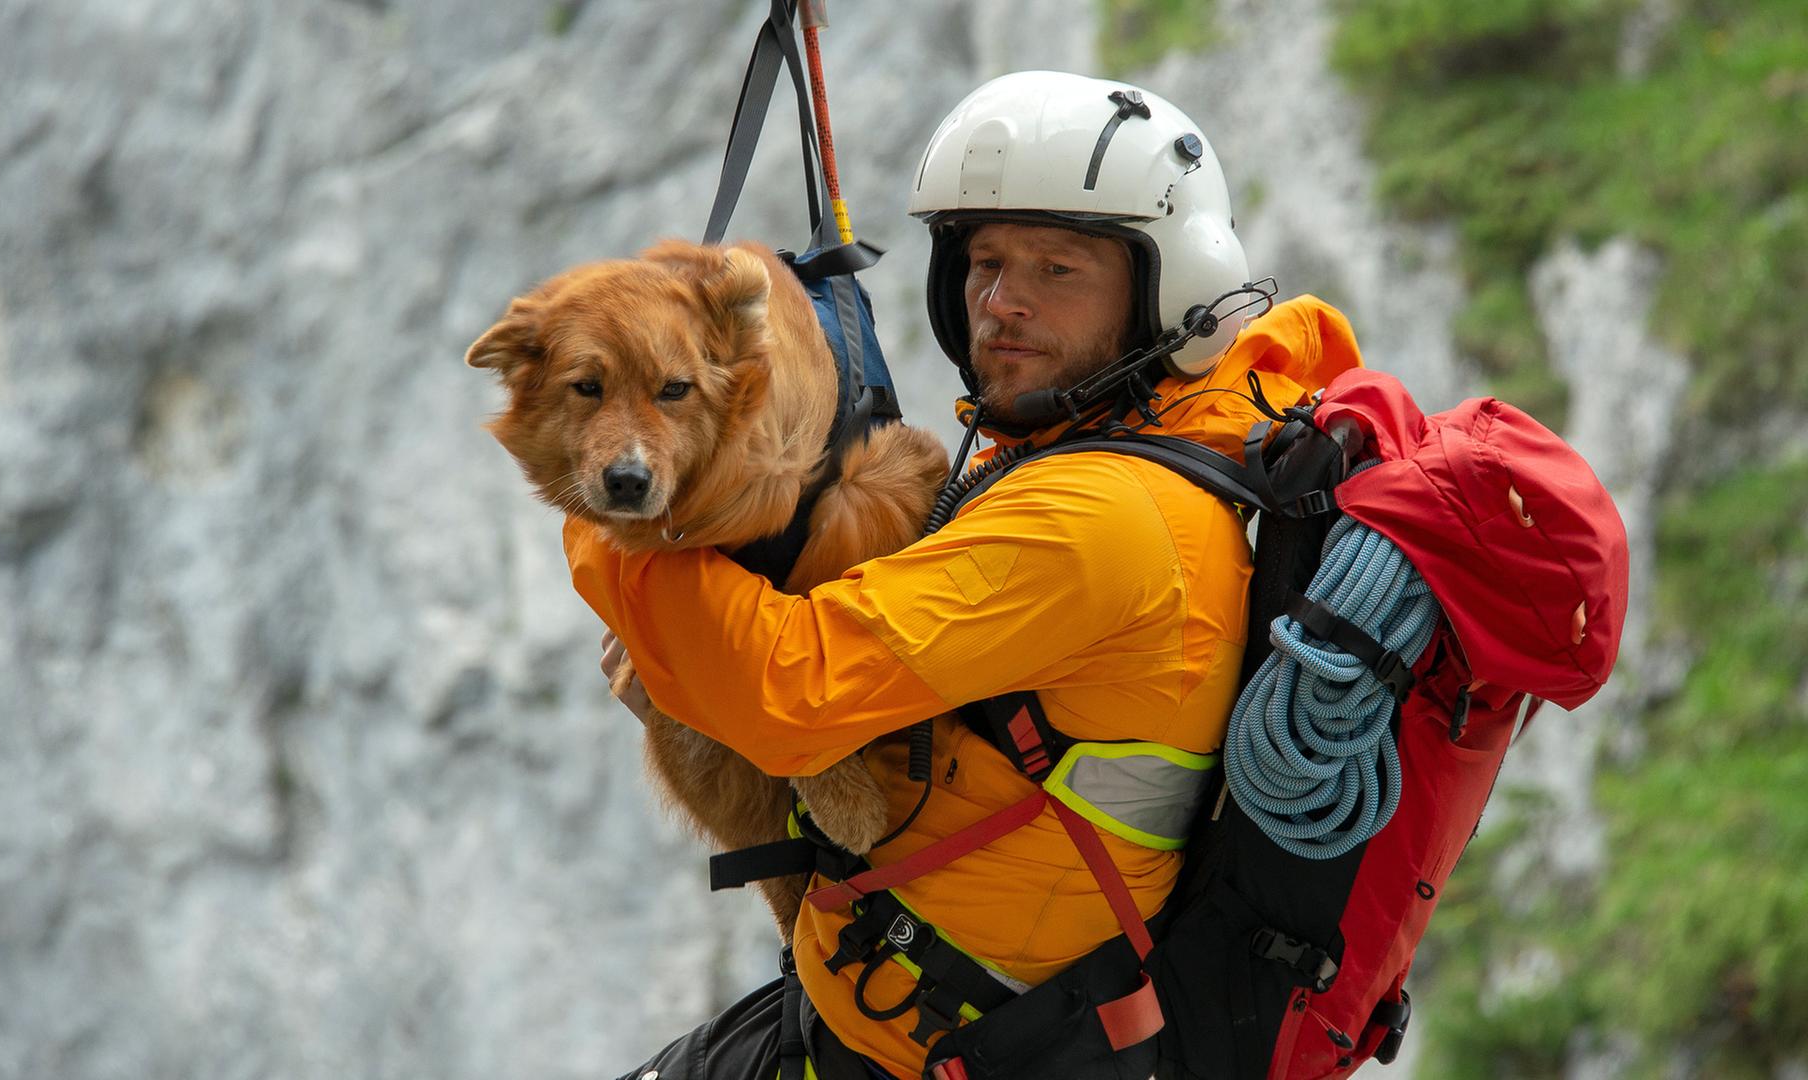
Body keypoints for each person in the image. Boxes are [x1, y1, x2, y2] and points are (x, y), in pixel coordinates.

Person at [568, 70, 1364, 1080]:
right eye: (985, 262)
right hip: (893, 1014)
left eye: (1058, 269)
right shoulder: (1099, 448)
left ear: (1171, 289)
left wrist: (607, 502)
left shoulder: (1105, 517)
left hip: (933, 1048)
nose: (1002, 302)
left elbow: (790, 689)